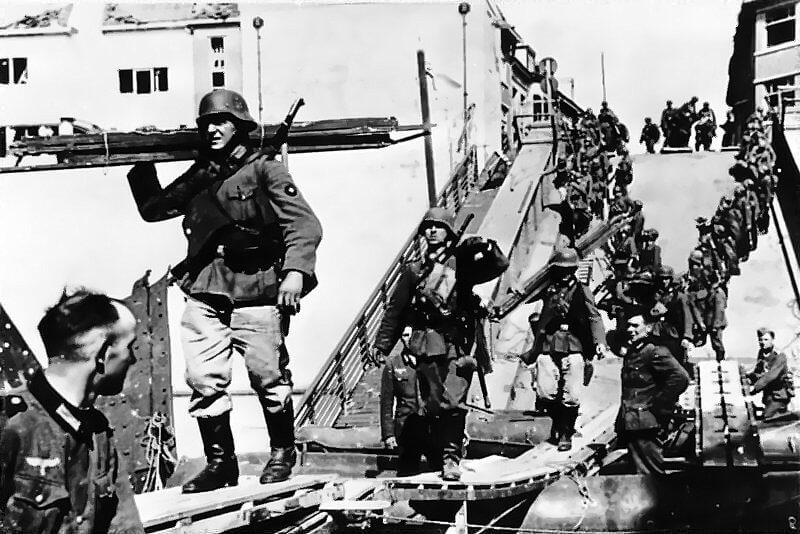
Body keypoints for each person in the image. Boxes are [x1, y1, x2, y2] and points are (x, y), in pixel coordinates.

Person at [127, 89, 323, 491]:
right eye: (207, 124)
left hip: (255, 291)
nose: (213, 129)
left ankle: (282, 453)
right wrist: (143, 154)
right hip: (204, 289)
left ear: (241, 127)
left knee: (269, 378)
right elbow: (155, 209)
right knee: (203, 378)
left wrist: (296, 273)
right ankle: (221, 465)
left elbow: (304, 226)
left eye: (221, 122)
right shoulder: (204, 173)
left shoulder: (266, 170)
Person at [0, 290, 143, 533]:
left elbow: (125, 527)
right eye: (130, 347)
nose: (133, 359)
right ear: (103, 355)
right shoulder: (12, 425)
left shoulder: (99, 433)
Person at [372, 207, 489, 481]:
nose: (432, 231)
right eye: (428, 227)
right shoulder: (414, 270)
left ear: (449, 232)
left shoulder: (461, 265)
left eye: (439, 227)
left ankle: (451, 458)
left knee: (453, 403)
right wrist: (383, 344)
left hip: (456, 345)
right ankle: (439, 454)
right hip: (425, 345)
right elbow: (396, 309)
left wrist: (483, 246)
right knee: (433, 405)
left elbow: (497, 265)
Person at [521, 248, 607, 452]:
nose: (565, 273)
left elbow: (594, 316)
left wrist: (599, 341)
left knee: (571, 395)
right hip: (549, 344)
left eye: (569, 269)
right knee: (546, 390)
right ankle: (556, 426)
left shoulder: (582, 290)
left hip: (574, 345)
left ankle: (565, 432)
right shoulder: (547, 288)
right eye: (561, 269)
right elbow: (526, 294)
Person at [616, 311, 690, 476]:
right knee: (639, 473)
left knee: (650, 475)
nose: (630, 329)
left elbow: (681, 377)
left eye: (635, 325)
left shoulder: (654, 351)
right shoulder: (634, 351)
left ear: (648, 328)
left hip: (646, 423)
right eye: (628, 325)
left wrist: (659, 403)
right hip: (632, 422)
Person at [379, 329, 440, 476]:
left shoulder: (431, 362)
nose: (409, 339)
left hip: (431, 427)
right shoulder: (393, 365)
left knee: (438, 469)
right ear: (400, 338)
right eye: (405, 335)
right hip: (406, 429)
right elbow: (386, 402)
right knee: (407, 473)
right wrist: (388, 434)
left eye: (412, 334)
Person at [746, 328, 793, 419]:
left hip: (779, 395)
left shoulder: (779, 356)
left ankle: (783, 411)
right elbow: (758, 372)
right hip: (768, 394)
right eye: (760, 340)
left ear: (772, 340)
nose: (762, 342)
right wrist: (748, 378)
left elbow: (771, 376)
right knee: (755, 415)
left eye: (766, 339)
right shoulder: (762, 353)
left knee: (767, 418)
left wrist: (755, 388)